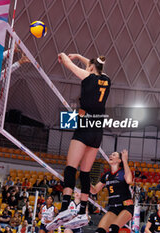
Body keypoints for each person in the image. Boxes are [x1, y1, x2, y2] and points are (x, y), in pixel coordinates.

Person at [46, 53, 110, 230]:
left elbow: (69, 65)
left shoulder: (87, 76)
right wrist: (79, 56)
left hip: (85, 126)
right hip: (98, 130)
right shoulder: (107, 79)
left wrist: (64, 56)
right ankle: (82, 210)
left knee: (70, 167)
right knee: (85, 172)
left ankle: (66, 207)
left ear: (90, 68)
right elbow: (93, 66)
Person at [89, 150, 133, 233]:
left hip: (126, 206)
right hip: (113, 207)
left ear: (119, 160)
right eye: (111, 154)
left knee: (113, 228)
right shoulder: (107, 175)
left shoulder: (123, 171)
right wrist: (86, 181)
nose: (110, 156)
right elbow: (94, 191)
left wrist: (125, 161)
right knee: (99, 231)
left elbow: (129, 180)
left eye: (114, 155)